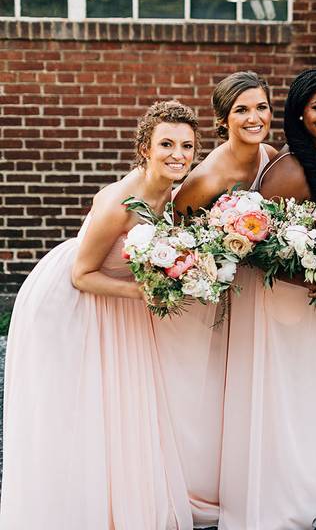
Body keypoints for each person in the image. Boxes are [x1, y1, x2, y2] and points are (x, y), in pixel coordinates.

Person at [0, 100, 198, 528]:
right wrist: (145, 293)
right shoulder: (119, 202)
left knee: (117, 406)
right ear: (145, 147)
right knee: (77, 408)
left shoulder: (172, 193)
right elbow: (81, 274)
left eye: (186, 146)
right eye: (166, 143)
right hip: (68, 304)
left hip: (118, 299)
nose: (177, 154)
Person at [218, 69, 316, 529]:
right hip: (283, 303)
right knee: (286, 403)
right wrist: (310, 279)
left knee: (310, 400)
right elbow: (250, 249)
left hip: (307, 305)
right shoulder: (291, 168)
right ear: (297, 112)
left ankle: (304, 496)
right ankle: (280, 505)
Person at [157, 71, 276, 527]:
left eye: (261, 107)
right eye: (242, 110)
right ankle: (199, 485)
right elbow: (180, 245)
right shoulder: (205, 179)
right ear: (223, 120)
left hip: (256, 298)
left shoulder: (270, 157)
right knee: (208, 391)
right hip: (214, 296)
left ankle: (246, 479)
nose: (254, 117)